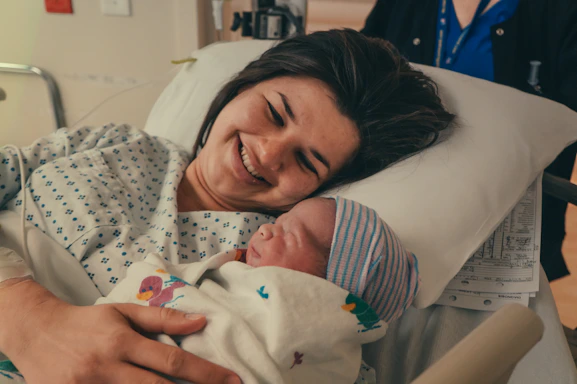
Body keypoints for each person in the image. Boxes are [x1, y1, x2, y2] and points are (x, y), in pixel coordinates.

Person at [0, 29, 453, 384]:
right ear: (242, 86)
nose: (270, 153)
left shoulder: (271, 270)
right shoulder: (119, 142)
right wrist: (26, 315)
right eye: (274, 114)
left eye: (306, 161)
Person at [360, 0, 577, 281]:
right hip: (400, 214)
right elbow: (360, 72)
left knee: (503, 324)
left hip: (505, 228)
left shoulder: (560, 12)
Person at [93, 197, 415, 384]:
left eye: (290, 234)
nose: (265, 229)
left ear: (326, 289)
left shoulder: (324, 341)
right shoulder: (233, 273)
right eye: (281, 219)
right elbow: (169, 282)